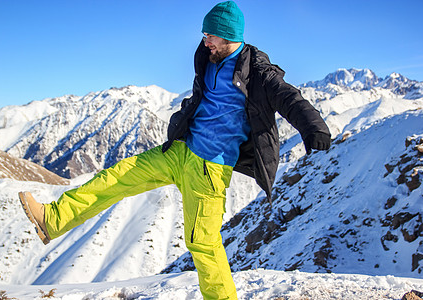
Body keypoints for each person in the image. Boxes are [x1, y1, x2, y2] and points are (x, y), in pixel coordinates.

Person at [18, 1, 331, 299]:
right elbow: (201, 96)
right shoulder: (209, 57)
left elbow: (289, 97)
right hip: (180, 151)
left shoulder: (257, 71)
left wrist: (313, 126)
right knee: (117, 176)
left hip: (210, 168)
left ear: (228, 35)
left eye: (210, 34)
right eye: (204, 34)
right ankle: (53, 219)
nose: (204, 39)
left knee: (203, 245)